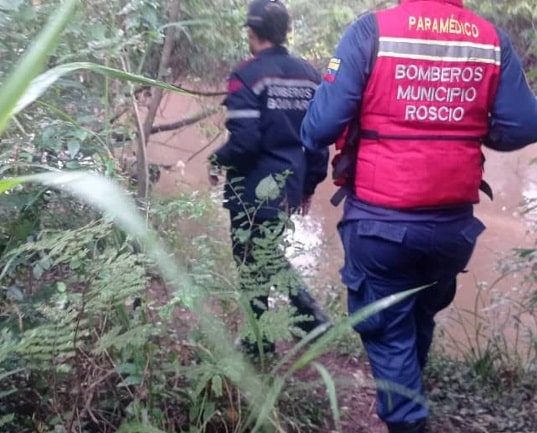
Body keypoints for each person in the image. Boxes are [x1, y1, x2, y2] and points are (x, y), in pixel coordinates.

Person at [301, 0, 537, 432]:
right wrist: (459, 129)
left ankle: (407, 419)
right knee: (416, 317)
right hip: (453, 228)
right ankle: (407, 396)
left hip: (380, 223)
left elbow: (319, 127)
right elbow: (523, 124)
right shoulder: (490, 40)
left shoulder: (370, 32)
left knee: (389, 332)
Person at [208, 0, 330, 355]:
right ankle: (307, 323)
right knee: (267, 251)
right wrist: (308, 186)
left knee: (251, 259)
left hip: (252, 187)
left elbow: (245, 142)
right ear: (285, 32)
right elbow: (318, 141)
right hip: (290, 184)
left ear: (251, 31)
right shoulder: (309, 75)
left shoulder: (247, 75)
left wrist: (217, 159)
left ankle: (262, 340)